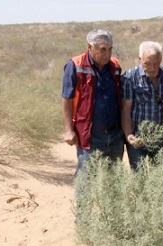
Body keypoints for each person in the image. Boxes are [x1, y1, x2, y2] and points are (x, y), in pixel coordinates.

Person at [61, 28, 124, 175]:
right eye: (102, 49)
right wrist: (69, 130)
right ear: (90, 47)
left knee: (113, 179)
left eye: (110, 49)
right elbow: (66, 99)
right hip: (89, 135)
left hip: (114, 135)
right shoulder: (75, 65)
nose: (107, 54)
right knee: (87, 178)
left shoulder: (114, 66)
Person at [121, 41, 163, 170]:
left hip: (159, 137)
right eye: (147, 64)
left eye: (156, 64)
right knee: (139, 176)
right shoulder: (129, 78)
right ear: (140, 59)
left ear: (160, 60)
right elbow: (126, 109)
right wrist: (129, 134)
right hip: (137, 138)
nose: (152, 68)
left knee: (160, 176)